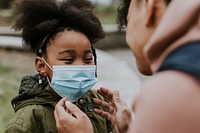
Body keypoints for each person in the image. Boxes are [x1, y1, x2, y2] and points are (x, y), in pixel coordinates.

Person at [54, 0, 200, 132]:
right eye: (68, 59)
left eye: (128, 23)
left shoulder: (168, 94)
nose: (128, 37)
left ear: (150, 6)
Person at [5, 0, 114, 132]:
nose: (80, 66)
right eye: (68, 59)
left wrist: (124, 129)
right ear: (41, 66)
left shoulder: (100, 105)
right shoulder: (26, 122)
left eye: (87, 59)